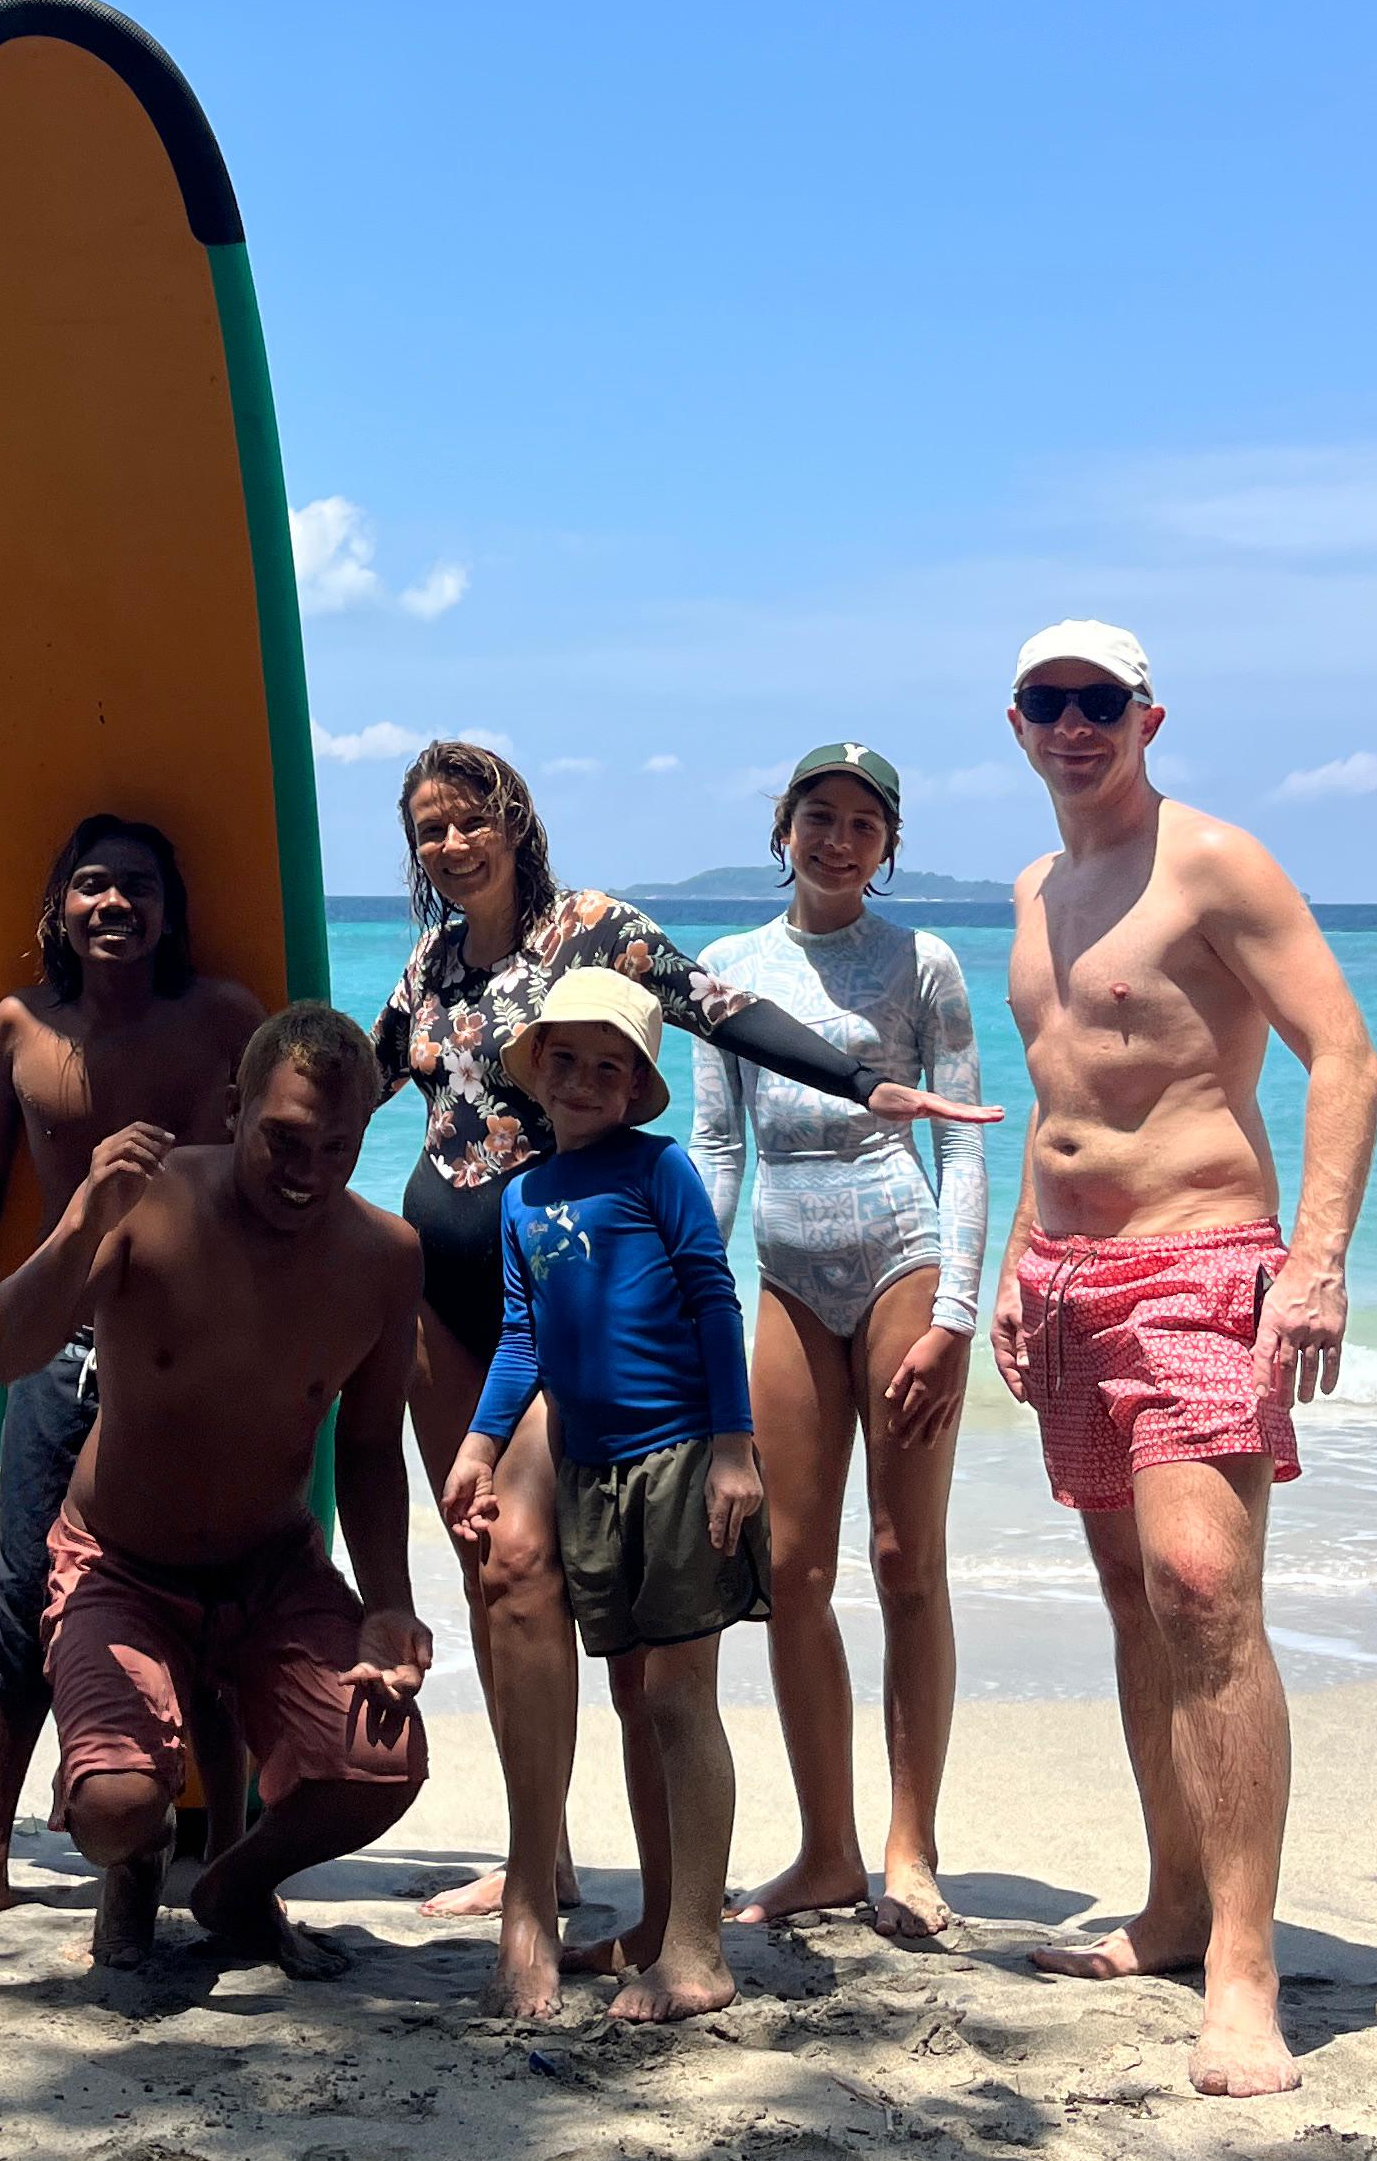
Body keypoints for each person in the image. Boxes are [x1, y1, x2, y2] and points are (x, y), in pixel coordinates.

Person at [373, 741, 997, 1925]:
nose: (450, 847)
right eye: (427, 832)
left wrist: (862, 1087)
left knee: (579, 1587)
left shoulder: (599, 933)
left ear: (515, 821)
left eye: (468, 823)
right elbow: (356, 1079)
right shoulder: (430, 960)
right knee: (490, 1577)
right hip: (448, 1303)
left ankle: (677, 1907)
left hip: (562, 1300)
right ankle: (538, 1860)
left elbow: (722, 1014)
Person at [989, 623, 1377, 2098]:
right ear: (1016, 721)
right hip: (1071, 1284)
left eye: (1103, 704)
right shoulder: (1034, 891)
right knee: (1131, 1599)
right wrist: (1022, 1262)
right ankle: (1168, 1905)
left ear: (1149, 717)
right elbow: (1056, 1101)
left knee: (1206, 1593)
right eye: (1051, 703)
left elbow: (1343, 1054)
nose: (1076, 725)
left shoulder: (1213, 861)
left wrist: (1319, 1261)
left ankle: (1243, 1963)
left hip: (1207, 1261)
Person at [0, 1003, 430, 1979]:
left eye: (337, 1148)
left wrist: (389, 1603)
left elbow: (367, 1449)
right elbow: (6, 1348)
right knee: (114, 1807)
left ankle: (233, 1881)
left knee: (383, 1762)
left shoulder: (384, 1259)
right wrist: (79, 1224)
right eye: (284, 1140)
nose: (307, 1173)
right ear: (234, 1109)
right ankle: (138, 1865)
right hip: (122, 1566)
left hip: (272, 1574)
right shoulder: (148, 1202)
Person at [0, 818, 264, 1933]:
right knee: (22, 1586)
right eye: (92, 888)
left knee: (209, 1584)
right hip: (62, 1343)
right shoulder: (20, 1026)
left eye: (137, 890)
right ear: (58, 909)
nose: (114, 907)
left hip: (188, 1345)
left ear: (169, 911)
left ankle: (231, 1842)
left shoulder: (219, 1018)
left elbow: (285, 1153)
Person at [695, 744, 991, 1942]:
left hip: (899, 1255)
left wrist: (958, 1312)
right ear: (784, 829)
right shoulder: (727, 970)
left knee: (905, 1557)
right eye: (820, 816)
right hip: (783, 1269)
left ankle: (909, 1845)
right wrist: (691, 1284)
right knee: (795, 1571)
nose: (839, 839)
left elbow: (963, 1145)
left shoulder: (924, 963)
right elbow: (719, 1147)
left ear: (889, 845)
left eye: (865, 824)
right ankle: (824, 1852)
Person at [446, 970, 765, 2024]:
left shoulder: (658, 1171)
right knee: (631, 1690)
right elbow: (522, 1338)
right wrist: (483, 1444)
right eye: (566, 1062)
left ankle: (696, 1948)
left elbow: (714, 1300)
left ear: (636, 1086)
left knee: (678, 1698)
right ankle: (656, 1924)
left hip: (678, 1458)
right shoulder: (524, 1198)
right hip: (587, 1472)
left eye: (610, 1067)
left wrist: (733, 1448)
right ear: (536, 1072)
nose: (584, 1082)